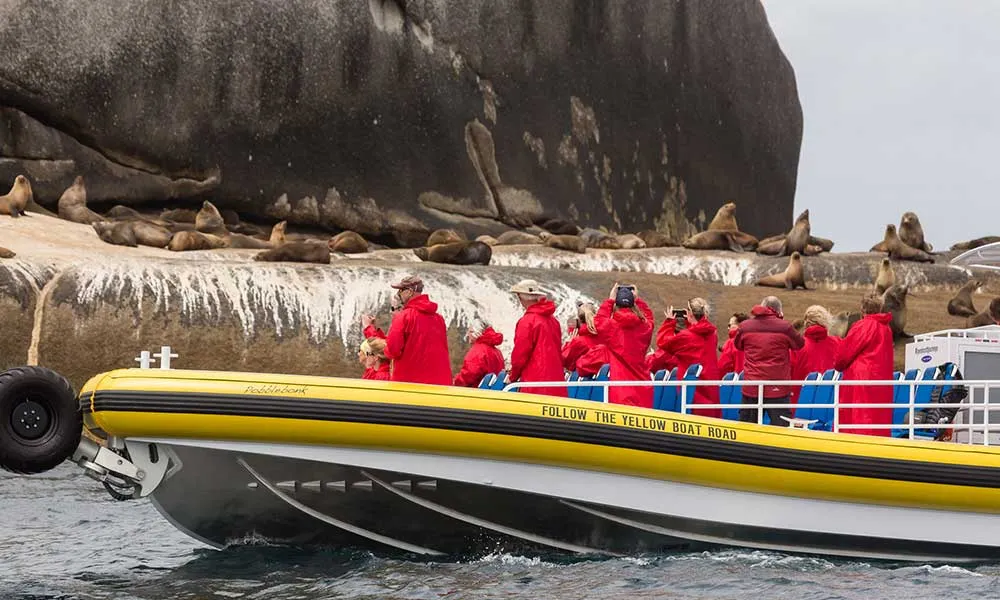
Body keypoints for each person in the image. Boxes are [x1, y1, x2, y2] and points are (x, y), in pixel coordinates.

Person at [579, 283, 654, 407]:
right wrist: (638, 300)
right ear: (633, 305)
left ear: (615, 305)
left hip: (620, 392)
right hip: (643, 390)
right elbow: (649, 319)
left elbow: (597, 321)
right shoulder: (645, 327)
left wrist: (610, 301)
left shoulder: (611, 326)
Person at [734, 296, 804, 425]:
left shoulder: (745, 327)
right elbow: (799, 344)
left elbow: (738, 345)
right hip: (778, 388)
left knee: (747, 428)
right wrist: (781, 320)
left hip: (752, 386)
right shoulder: (785, 327)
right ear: (779, 311)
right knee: (781, 429)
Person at [834, 293, 894, 436]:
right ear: (880, 308)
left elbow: (843, 356)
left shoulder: (863, 326)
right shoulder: (886, 329)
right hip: (882, 380)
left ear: (862, 309)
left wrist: (838, 363)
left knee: (859, 420)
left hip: (860, 381)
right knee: (878, 420)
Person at [651, 298, 722, 418]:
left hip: (693, 389)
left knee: (694, 413)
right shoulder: (712, 334)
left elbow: (663, 342)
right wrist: (689, 322)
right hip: (709, 385)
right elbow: (697, 333)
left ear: (690, 313)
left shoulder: (686, 336)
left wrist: (669, 322)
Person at [384, 275, 453, 385]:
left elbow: (393, 350)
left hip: (410, 384)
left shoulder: (403, 317)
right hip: (439, 384)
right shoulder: (439, 319)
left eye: (401, 290)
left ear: (410, 292)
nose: (398, 294)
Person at [509, 280, 566, 397]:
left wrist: (513, 376)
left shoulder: (527, 321)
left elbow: (520, 354)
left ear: (522, 298)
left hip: (535, 382)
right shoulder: (553, 321)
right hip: (556, 381)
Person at [790, 305, 841, 403]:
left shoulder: (796, 346)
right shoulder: (838, 343)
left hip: (800, 401)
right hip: (830, 402)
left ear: (806, 323)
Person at [453, 322, 505, 388]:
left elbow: (468, 375)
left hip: (478, 393)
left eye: (470, 332)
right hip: (493, 392)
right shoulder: (497, 351)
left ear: (476, 333)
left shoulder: (478, 351)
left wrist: (455, 382)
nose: (468, 335)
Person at [561, 302, 601, 372]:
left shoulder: (578, 342)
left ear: (579, 321)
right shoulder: (604, 336)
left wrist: (569, 343)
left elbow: (563, 361)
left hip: (582, 379)